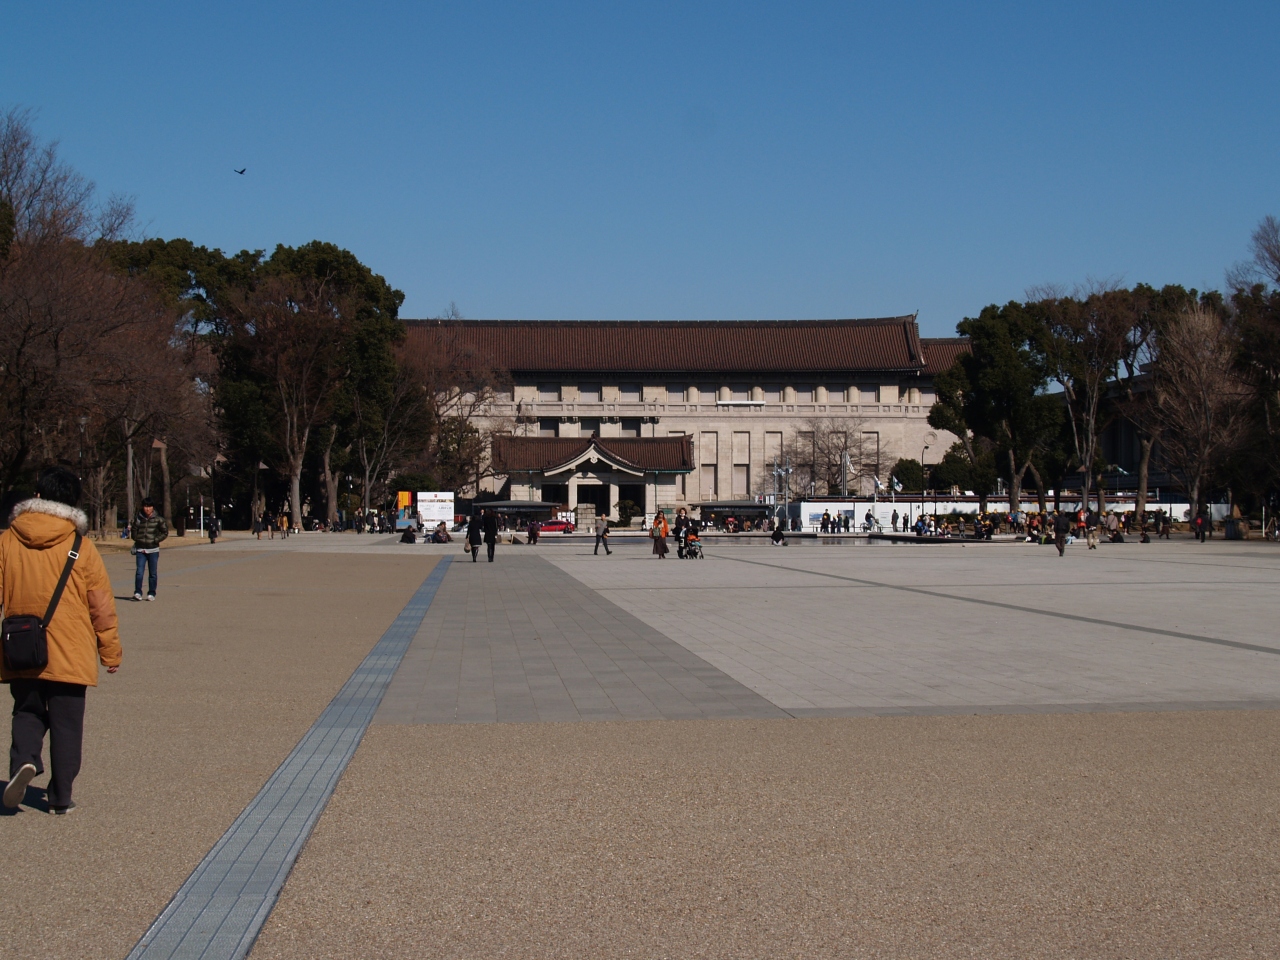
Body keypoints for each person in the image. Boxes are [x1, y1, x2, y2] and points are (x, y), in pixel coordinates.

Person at [2, 466, 122, 815]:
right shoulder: (80, 547)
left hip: (21, 646)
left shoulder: (6, 540)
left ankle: (23, 762)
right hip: (71, 649)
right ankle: (60, 796)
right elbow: (100, 604)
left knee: (26, 711)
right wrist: (109, 650)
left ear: (36, 496)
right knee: (67, 724)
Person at [131, 497, 168, 601]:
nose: (147, 509)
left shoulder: (158, 519)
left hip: (153, 550)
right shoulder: (138, 518)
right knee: (139, 572)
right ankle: (138, 592)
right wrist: (136, 538)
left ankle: (151, 592)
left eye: (149, 506)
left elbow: (165, 532)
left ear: (153, 507)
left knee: (153, 573)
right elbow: (134, 529)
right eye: (145, 506)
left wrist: (156, 540)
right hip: (140, 549)